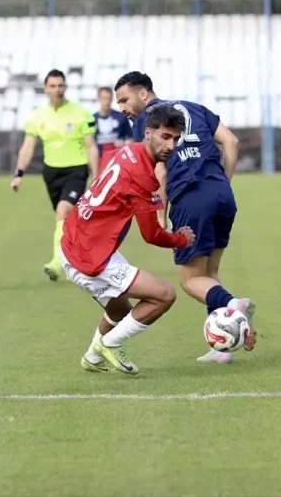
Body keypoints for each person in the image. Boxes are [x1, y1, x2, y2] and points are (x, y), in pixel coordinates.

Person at [114, 71, 255, 364]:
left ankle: (233, 305)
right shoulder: (195, 107)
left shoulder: (148, 122)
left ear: (143, 94)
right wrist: (223, 184)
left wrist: (160, 216)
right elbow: (231, 142)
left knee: (190, 281)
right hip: (221, 194)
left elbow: (160, 172)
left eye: (125, 100)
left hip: (190, 197)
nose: (122, 108)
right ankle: (221, 351)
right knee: (210, 275)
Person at [61, 105, 194, 375]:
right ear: (148, 132)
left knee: (120, 308)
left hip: (75, 242)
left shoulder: (125, 150)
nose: (171, 145)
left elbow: (105, 161)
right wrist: (181, 239)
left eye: (176, 139)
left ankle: (92, 357)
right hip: (90, 256)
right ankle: (108, 344)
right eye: (165, 137)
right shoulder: (143, 178)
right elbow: (152, 235)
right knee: (164, 295)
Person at [11, 70, 99, 282]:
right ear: (45, 88)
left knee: (63, 211)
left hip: (76, 169)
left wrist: (96, 177)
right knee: (65, 220)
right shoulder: (37, 116)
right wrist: (18, 174)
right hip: (51, 172)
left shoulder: (81, 113)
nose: (57, 90)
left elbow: (91, 146)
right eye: (52, 86)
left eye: (60, 86)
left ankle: (57, 264)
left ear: (65, 87)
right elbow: (28, 147)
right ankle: (78, 259)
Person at [94, 86, 134, 160]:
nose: (106, 102)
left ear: (112, 99)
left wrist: (124, 143)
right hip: (99, 159)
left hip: (118, 158)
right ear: (99, 99)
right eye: (104, 98)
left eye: (108, 98)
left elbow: (131, 139)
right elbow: (89, 142)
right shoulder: (92, 119)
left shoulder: (121, 117)